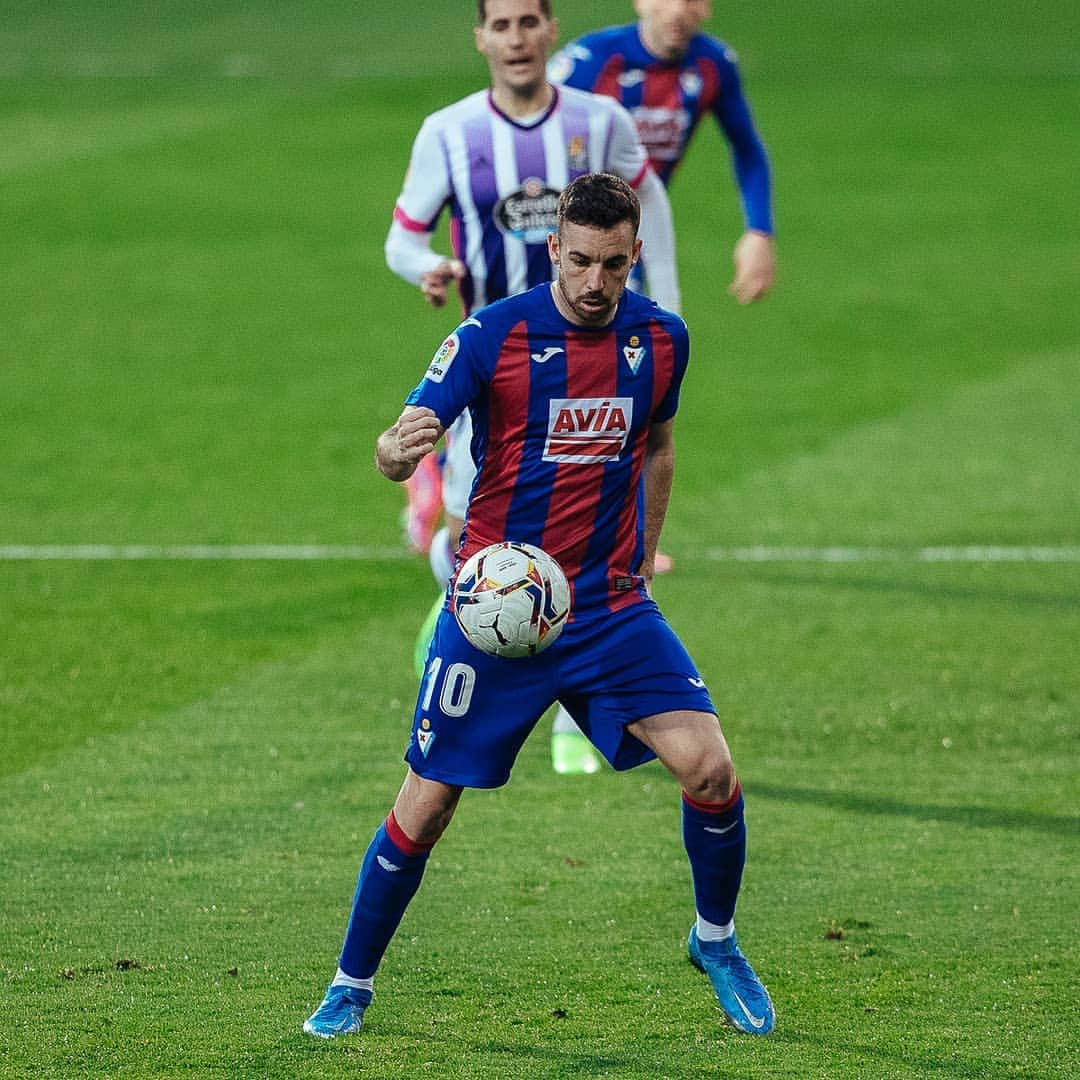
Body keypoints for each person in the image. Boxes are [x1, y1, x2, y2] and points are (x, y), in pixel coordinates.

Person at [304, 173, 775, 1040]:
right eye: (583, 261)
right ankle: (350, 984)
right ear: (555, 248)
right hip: (496, 613)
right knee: (426, 805)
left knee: (710, 770)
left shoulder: (662, 341)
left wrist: (638, 559)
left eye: (616, 265)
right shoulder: (493, 334)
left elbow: (659, 449)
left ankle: (715, 940)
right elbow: (408, 431)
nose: (598, 283)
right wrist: (390, 449)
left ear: (635, 258)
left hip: (603, 605)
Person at [385, 0, 681, 775]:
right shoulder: (448, 132)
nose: (517, 39)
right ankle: (459, 633)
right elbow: (402, 234)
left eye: (529, 23)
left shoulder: (600, 120)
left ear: (553, 31)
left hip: (595, 369)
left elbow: (649, 201)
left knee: (582, 539)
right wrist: (428, 269)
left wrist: (668, 310)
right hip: (493, 382)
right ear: (481, 37)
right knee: (466, 535)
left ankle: (566, 715)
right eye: (502, 25)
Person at [547, 0, 775, 305]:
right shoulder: (590, 60)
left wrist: (759, 232)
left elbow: (747, 150)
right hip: (554, 232)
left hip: (629, 232)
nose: (678, 11)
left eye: (691, 0)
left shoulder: (713, 64)